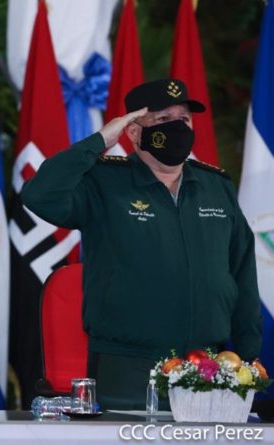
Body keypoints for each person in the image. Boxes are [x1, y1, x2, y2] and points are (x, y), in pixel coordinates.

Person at [21, 79, 262, 410]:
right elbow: (39, 195)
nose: (178, 127)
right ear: (134, 133)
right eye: (164, 120)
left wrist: (248, 357)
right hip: (128, 368)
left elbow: (242, 272)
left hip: (207, 368)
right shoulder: (104, 182)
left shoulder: (215, 187)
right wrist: (101, 140)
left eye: (184, 119)